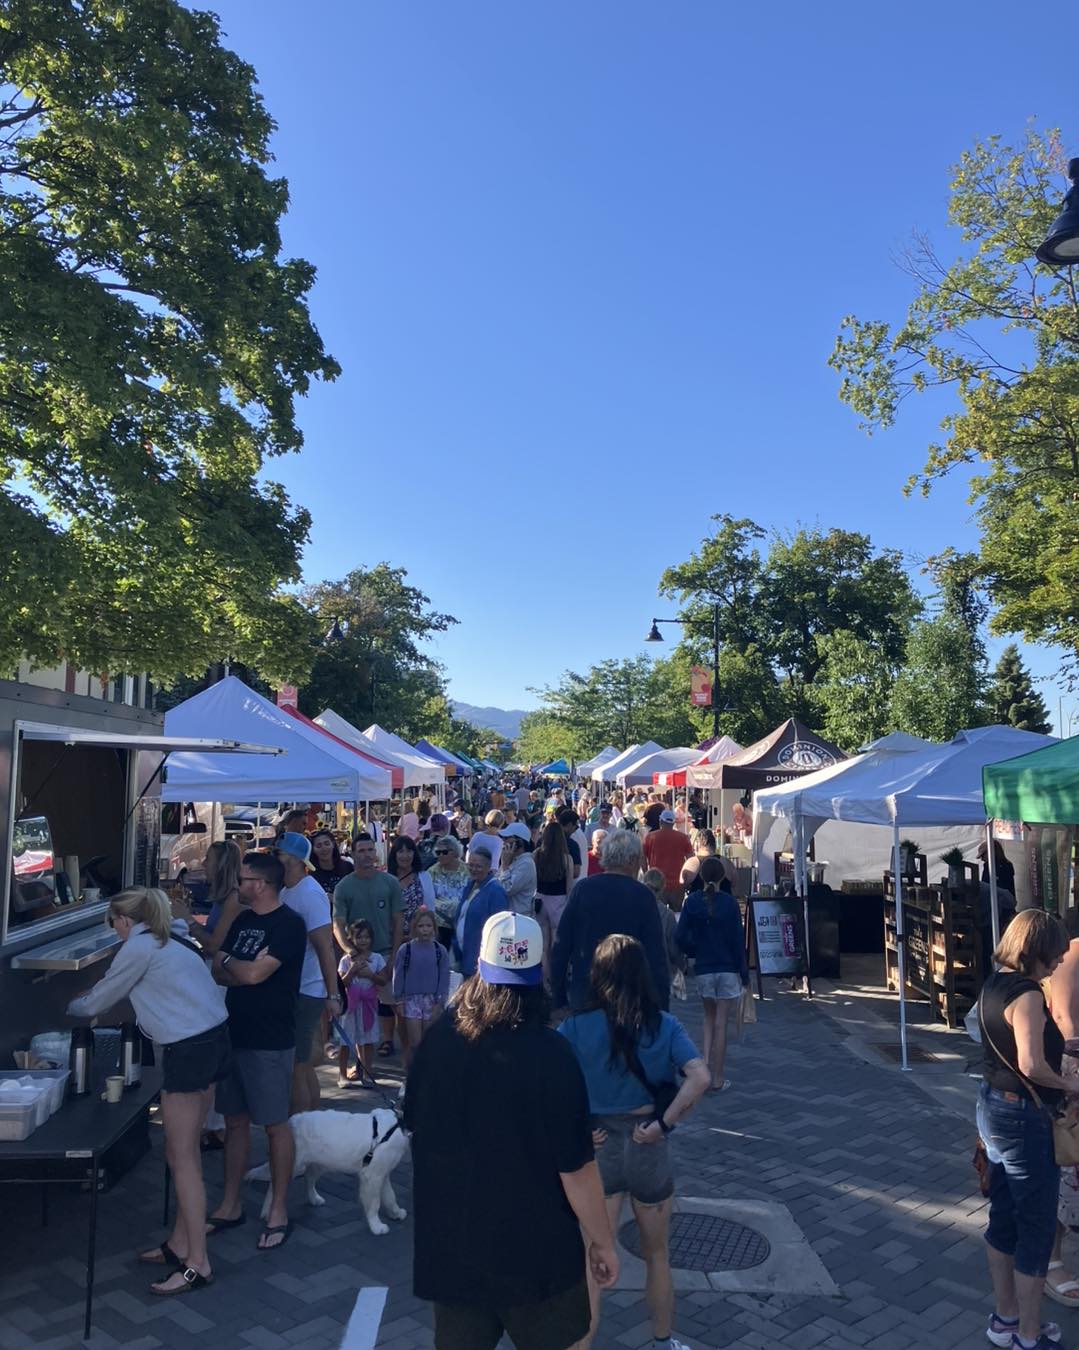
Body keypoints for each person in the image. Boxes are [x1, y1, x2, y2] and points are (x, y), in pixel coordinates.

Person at [404, 912, 619, 1350]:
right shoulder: (553, 1054)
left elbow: (416, 1128)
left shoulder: (439, 1040)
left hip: (453, 1246)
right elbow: (576, 1169)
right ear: (538, 973)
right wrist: (602, 1242)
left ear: (479, 967)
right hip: (537, 1254)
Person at [67, 888, 229, 1295]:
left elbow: (96, 1002)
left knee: (183, 1158)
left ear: (122, 921)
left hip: (188, 1050)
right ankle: (180, 1243)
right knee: (183, 1151)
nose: (115, 931)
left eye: (113, 924)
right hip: (215, 1040)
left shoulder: (138, 948)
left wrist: (68, 1005)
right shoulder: (171, 936)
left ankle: (198, 1263)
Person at [559, 934, 709, 1350]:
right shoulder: (664, 1024)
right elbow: (700, 1077)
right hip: (648, 1143)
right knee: (657, 1255)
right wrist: (665, 1124)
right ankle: (663, 1341)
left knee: (593, 1258)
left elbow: (549, 1086)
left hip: (597, 1145)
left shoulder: (574, 1026)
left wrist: (574, 1129)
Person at [977, 908, 1074, 1350]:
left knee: (1003, 1216)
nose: (1058, 962)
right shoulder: (1029, 994)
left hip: (993, 1107)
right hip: (1022, 1118)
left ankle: (1006, 1318)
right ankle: (1029, 1337)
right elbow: (1031, 1064)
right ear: (1034, 951)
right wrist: (1071, 1082)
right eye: (1053, 955)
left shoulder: (994, 982)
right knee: (1035, 1225)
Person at [209, 852, 307, 1252]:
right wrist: (234, 964)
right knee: (234, 1121)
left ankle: (279, 1208)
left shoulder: (289, 925)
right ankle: (231, 1204)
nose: (237, 885)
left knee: (274, 1124)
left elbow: (248, 972)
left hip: (270, 1039)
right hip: (235, 1032)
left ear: (261, 884)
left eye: (243, 879)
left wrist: (232, 962)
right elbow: (218, 970)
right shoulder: (244, 921)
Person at [550, 829, 670, 1014]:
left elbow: (561, 946)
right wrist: (662, 1008)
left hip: (586, 993)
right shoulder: (643, 895)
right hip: (629, 999)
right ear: (631, 860)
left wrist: (559, 998)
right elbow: (656, 956)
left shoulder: (583, 890)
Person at [275, 833, 342, 1114]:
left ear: (292, 859)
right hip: (297, 989)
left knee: (297, 1065)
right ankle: (312, 1123)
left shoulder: (310, 893)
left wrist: (332, 994)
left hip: (307, 990)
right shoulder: (287, 889)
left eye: (277, 854)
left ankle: (300, 1132)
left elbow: (325, 947)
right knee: (301, 1065)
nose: (274, 858)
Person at [676, 857, 748, 1091]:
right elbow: (738, 940)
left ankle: (704, 1068)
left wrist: (693, 950)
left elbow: (680, 936)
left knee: (708, 1019)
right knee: (721, 1024)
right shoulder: (729, 904)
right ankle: (717, 1076)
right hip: (726, 967)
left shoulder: (693, 902)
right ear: (722, 878)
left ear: (702, 877)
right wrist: (744, 973)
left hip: (704, 967)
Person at [333, 835, 404, 1058]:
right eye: (361, 850)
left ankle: (400, 1049)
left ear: (377, 853)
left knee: (395, 1005)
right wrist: (350, 952)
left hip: (384, 952)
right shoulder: (344, 886)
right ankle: (362, 1064)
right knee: (358, 1009)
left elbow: (398, 921)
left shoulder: (390, 882)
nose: (366, 855)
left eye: (370, 850)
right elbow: (338, 924)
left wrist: (394, 955)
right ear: (352, 854)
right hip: (359, 958)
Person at [1041, 907, 1079, 1308]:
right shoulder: (1073, 955)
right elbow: (1068, 1024)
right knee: (1068, 1170)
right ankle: (1052, 1260)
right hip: (1074, 1078)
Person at [392, 908, 450, 1068]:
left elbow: (444, 977)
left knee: (429, 1041)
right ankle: (412, 1075)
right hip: (411, 1000)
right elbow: (399, 975)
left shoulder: (440, 951)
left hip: (432, 1000)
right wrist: (399, 1000)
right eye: (421, 926)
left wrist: (440, 1001)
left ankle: (427, 1074)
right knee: (415, 1042)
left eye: (428, 926)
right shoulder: (406, 949)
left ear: (434, 928)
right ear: (415, 928)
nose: (425, 930)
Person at [334, 920, 388, 1089]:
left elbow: (383, 980)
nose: (363, 940)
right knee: (346, 1040)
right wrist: (353, 971)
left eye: (366, 937)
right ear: (351, 939)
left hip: (369, 1006)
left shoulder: (377, 958)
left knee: (368, 1040)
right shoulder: (345, 960)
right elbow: (342, 982)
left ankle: (367, 1072)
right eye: (359, 937)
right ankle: (342, 1075)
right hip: (350, 1006)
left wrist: (370, 974)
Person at [453, 845, 510, 977]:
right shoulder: (469, 885)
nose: (473, 869)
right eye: (471, 865)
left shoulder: (496, 891)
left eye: (478, 866)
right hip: (463, 957)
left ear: (489, 867)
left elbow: (499, 930)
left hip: (481, 962)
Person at [534, 821, 578, 970]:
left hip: (540, 899)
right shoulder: (567, 859)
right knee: (556, 941)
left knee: (543, 943)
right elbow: (569, 887)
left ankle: (544, 976)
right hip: (558, 901)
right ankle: (556, 974)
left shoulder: (537, 855)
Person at [197, 839, 244, 958]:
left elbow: (214, 947)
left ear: (220, 865)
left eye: (208, 859)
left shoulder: (234, 899)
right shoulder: (223, 896)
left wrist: (188, 920)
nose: (203, 863)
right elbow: (209, 932)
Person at [641, 868, 686, 985]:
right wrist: (681, 964)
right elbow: (674, 948)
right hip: (660, 970)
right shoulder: (667, 915)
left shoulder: (633, 909)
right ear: (662, 888)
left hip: (638, 969)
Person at [643, 810, 693, 911]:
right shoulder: (683, 838)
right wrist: (688, 881)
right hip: (677, 885)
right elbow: (690, 859)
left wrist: (646, 873)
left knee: (658, 915)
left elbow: (642, 858)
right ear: (673, 823)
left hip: (656, 883)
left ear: (660, 821)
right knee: (676, 916)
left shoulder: (650, 837)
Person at [387, 834, 436, 936]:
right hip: (391, 936)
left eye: (409, 851)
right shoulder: (386, 878)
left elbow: (430, 908)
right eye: (401, 852)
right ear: (394, 855)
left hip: (418, 937)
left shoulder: (424, 877)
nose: (405, 856)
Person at [428, 834, 471, 950]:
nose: (441, 855)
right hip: (440, 924)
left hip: (463, 921)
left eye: (445, 852)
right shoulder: (432, 872)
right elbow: (429, 897)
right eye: (438, 852)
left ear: (455, 852)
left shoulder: (468, 870)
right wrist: (449, 906)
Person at [498, 821, 537, 917]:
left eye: (507, 838)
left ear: (519, 843)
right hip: (507, 915)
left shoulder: (526, 864)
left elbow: (506, 890)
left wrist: (505, 866)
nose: (504, 842)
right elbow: (496, 882)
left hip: (520, 917)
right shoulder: (511, 859)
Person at [309, 828, 354, 898]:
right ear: (313, 850)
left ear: (333, 844)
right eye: (319, 846)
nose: (324, 848)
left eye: (327, 844)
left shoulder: (348, 867)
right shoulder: (311, 876)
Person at [557, 806, 586, 882]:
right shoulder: (576, 834)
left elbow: (575, 871)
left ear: (570, 825)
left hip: (575, 881)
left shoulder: (574, 836)